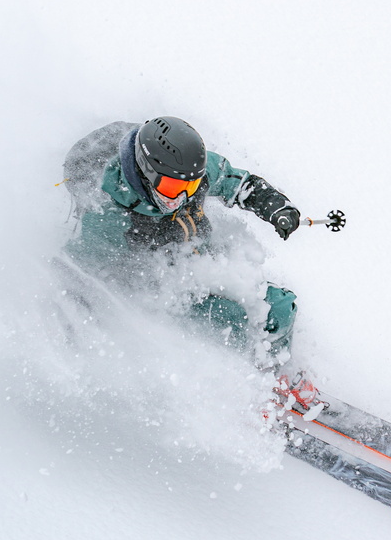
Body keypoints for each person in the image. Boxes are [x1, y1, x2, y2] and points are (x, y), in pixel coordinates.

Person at [62, 116, 301, 364]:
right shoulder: (109, 217)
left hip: (199, 261)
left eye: (192, 184)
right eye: (172, 188)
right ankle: (246, 388)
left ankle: (275, 381)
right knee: (236, 319)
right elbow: (79, 274)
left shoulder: (189, 175)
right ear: (146, 173)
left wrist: (273, 205)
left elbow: (238, 183)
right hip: (163, 296)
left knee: (279, 307)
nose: (183, 196)